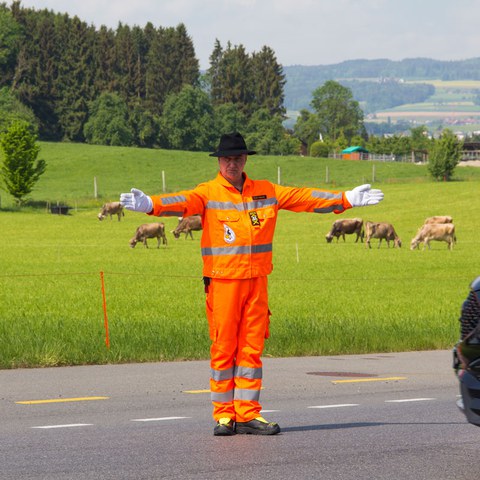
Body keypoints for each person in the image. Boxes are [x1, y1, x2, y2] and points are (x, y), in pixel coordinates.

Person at [120, 132, 384, 436]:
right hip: (222, 283)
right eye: (227, 158)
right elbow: (180, 202)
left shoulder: (266, 191)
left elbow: (303, 197)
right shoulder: (207, 193)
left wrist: (345, 199)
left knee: (251, 349)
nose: (232, 163)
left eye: (238, 158)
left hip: (257, 282)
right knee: (223, 348)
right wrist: (150, 204)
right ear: (219, 161)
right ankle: (223, 416)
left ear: (245, 159)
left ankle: (247, 413)